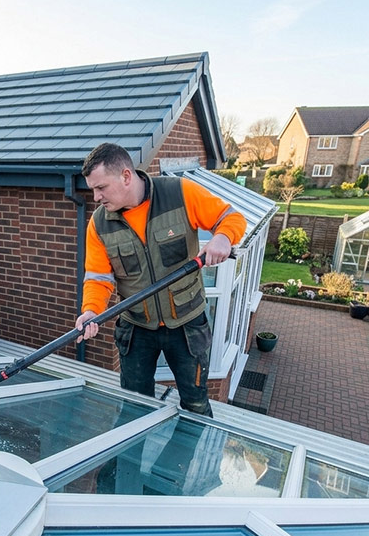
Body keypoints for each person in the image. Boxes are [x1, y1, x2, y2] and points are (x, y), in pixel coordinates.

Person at [75, 143, 246, 416]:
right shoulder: (99, 224)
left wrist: (223, 238)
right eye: (93, 189)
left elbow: (231, 217)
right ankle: (128, 458)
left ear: (126, 176)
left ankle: (186, 459)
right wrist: (91, 311)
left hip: (187, 324)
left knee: (196, 405)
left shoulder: (179, 193)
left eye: (101, 188)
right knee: (134, 408)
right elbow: (98, 277)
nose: (96, 197)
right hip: (137, 327)